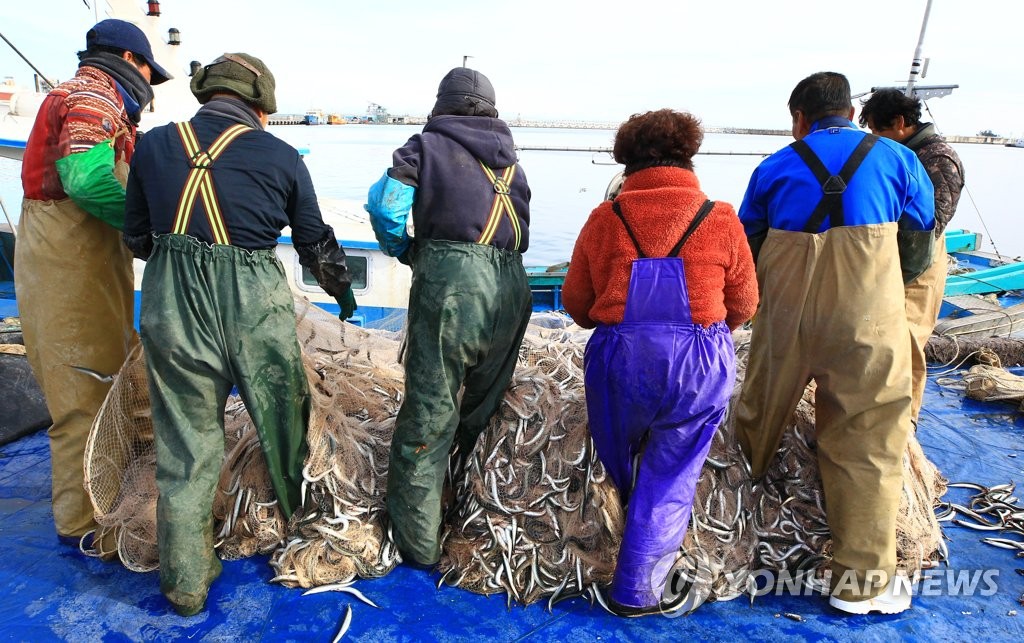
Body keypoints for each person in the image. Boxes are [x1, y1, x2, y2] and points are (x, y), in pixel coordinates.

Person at [123, 52, 357, 616]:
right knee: (285, 422)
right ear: (261, 106)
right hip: (254, 303)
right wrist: (342, 292)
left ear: (206, 93)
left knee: (185, 448)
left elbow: (137, 238)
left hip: (172, 304)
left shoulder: (153, 146)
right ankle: (301, 533)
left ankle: (185, 584)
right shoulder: (281, 156)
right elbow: (313, 242)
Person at [734, 72, 935, 615]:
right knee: (868, 439)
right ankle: (861, 584)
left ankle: (723, 536)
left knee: (755, 419)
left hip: (788, 314)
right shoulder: (898, 159)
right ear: (850, 112)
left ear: (800, 117)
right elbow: (919, 240)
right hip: (868, 315)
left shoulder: (774, 166)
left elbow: (748, 241)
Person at [562, 109, 758, 616]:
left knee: (619, 452)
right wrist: (700, 334)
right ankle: (638, 591)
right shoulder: (720, 217)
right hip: (698, 360)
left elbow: (577, 304)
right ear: (689, 156)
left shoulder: (605, 219)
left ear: (624, 161)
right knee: (671, 473)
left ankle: (623, 511)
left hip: (620, 361)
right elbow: (744, 305)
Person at [14, 18, 171, 555]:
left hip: (90, 255)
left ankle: (112, 488)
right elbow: (84, 179)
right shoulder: (92, 96)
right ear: (131, 61)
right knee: (81, 383)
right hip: (65, 255)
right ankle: (87, 524)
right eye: (151, 70)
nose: (150, 85)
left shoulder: (98, 100)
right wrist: (142, 227)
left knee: (113, 366)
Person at [365, 67, 532, 569]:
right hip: (513, 286)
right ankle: (465, 509)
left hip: (454, 284)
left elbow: (387, 207)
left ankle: (418, 545)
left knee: (429, 412)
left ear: (442, 105)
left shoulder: (423, 147)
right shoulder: (513, 163)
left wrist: (406, 250)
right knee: (481, 409)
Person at [859, 88, 966, 424]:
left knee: (906, 344)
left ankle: (904, 427)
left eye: (879, 130)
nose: (875, 138)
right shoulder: (900, 153)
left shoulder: (937, 158)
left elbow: (932, 224)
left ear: (901, 123)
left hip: (920, 264)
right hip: (889, 260)